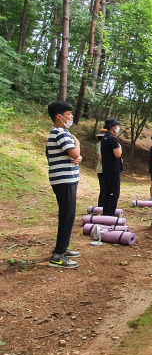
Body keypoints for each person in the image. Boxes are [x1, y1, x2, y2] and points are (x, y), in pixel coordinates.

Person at [46, 101, 82, 269]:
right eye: (69, 114)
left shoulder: (62, 133)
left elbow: (76, 157)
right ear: (59, 116)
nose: (71, 117)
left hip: (68, 179)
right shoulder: (60, 132)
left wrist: (78, 156)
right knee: (67, 216)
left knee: (69, 215)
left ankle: (63, 248)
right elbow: (74, 153)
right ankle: (57, 256)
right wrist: (78, 146)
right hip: (64, 180)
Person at [101, 118, 123, 216]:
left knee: (107, 192)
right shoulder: (112, 138)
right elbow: (118, 154)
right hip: (114, 169)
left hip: (106, 168)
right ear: (113, 127)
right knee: (114, 193)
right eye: (117, 126)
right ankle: (110, 213)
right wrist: (120, 149)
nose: (118, 128)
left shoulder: (104, 138)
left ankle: (106, 211)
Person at [96, 129, 107, 207]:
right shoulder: (101, 145)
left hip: (102, 169)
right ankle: (101, 207)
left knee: (105, 190)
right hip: (102, 169)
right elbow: (101, 158)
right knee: (104, 190)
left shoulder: (100, 144)